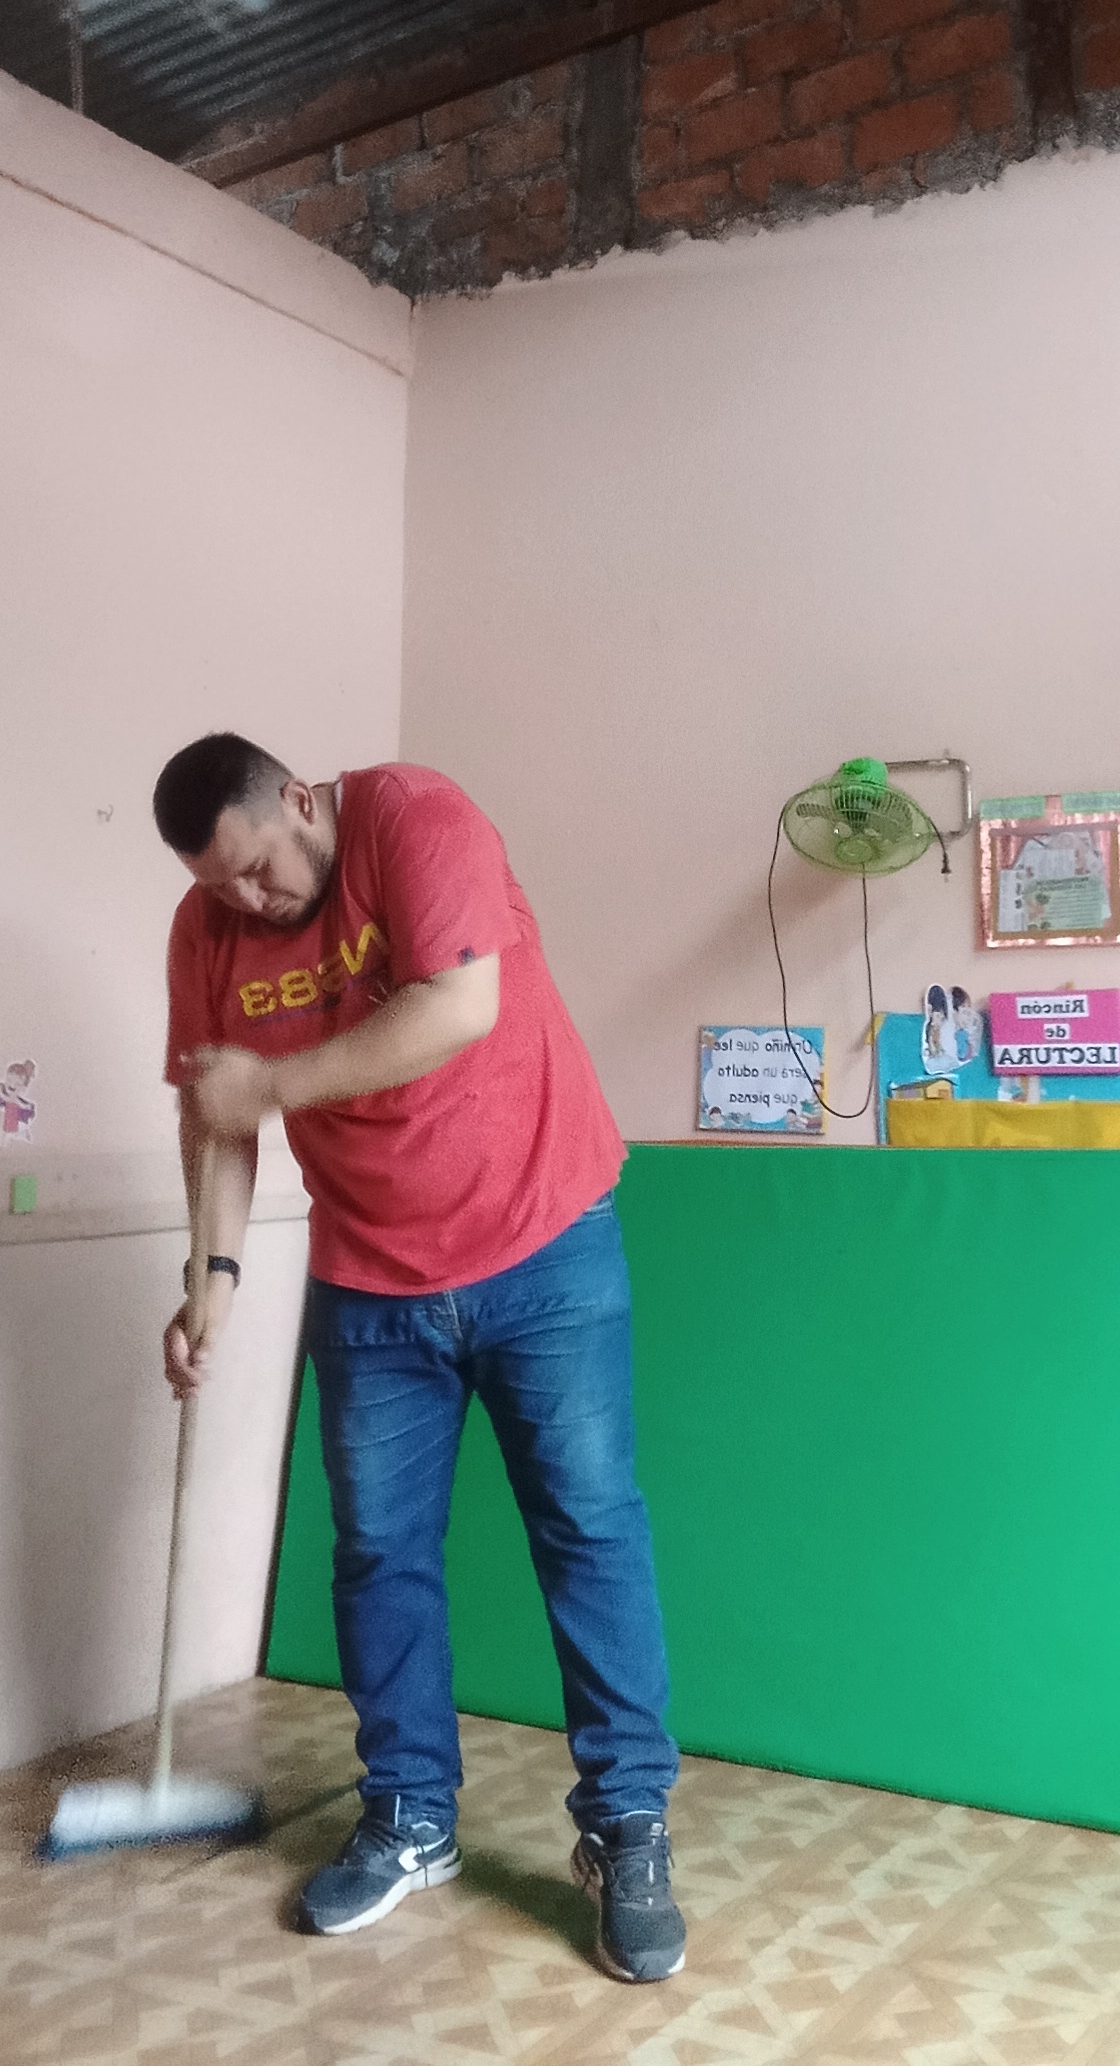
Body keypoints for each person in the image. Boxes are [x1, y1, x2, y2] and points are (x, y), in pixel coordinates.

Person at [153, 733, 684, 1979]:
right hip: (370, 1279)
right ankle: (409, 1817)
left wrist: (269, 1085)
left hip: (542, 1244)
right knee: (379, 1553)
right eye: (219, 886)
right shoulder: (206, 930)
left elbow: (457, 1005)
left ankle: (626, 1824)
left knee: (589, 1529)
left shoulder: (416, 819)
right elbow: (216, 1114)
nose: (247, 902)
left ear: (299, 799)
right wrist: (210, 1279)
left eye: (258, 869)